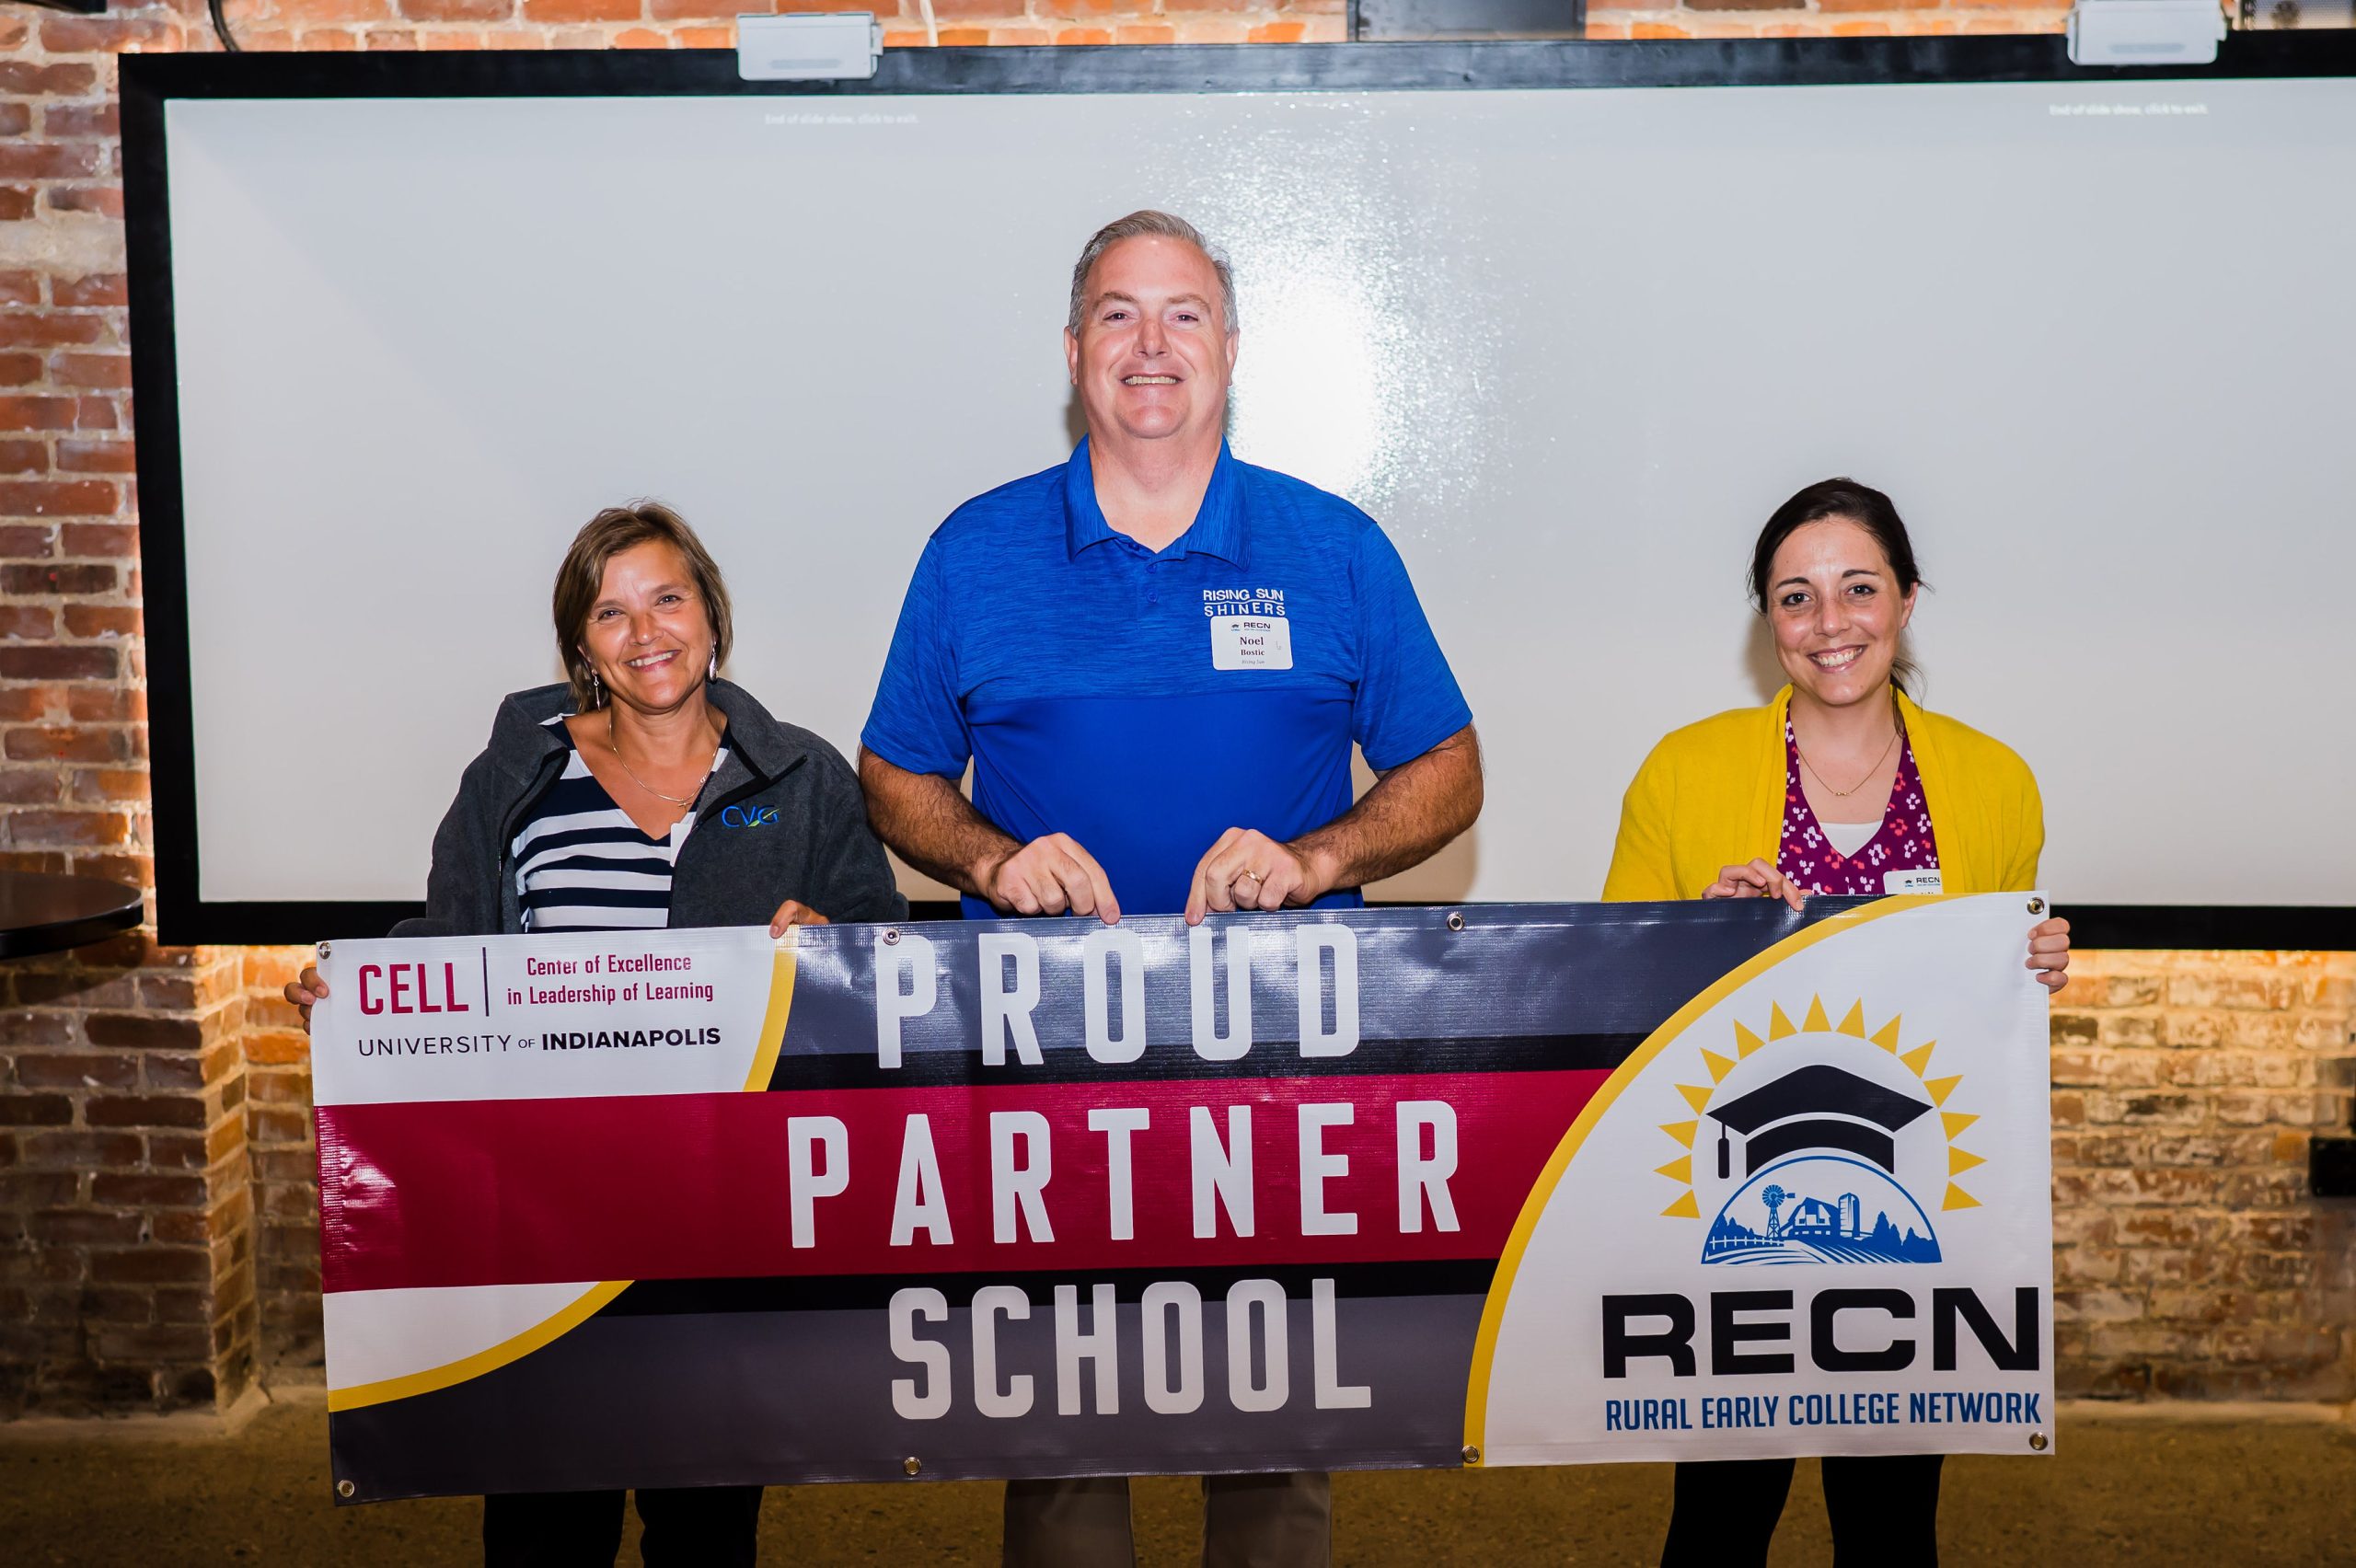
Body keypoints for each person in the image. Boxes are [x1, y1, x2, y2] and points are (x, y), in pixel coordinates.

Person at [856, 210, 1484, 1568]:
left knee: (1273, 1434)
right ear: (1075, 348)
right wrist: (986, 857)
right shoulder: (975, 552)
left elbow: (1448, 768)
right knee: (1067, 1430)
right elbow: (894, 776)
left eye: (1184, 314)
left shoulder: (1336, 548)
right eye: (1121, 315)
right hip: (1047, 1071)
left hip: (1278, 1070)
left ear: (1233, 348)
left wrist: (1322, 858)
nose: (1152, 346)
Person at [286, 501, 905, 1567]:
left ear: (710, 612)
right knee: (542, 1525)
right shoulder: (514, 783)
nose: (645, 632)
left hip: (723, 1217)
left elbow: (890, 959)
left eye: (666, 598)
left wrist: (837, 944)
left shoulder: (801, 779)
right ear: (581, 645)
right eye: (610, 614)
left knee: (706, 1527)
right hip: (548, 1222)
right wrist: (356, 988)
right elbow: (451, 940)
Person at [1601, 476, 2071, 1568]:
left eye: (1857, 588)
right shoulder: (1682, 772)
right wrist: (1688, 937)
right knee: (1717, 1525)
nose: (1829, 624)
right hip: (1727, 1220)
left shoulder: (1996, 782)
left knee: (1892, 1525)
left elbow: (1985, 999)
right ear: (1766, 620)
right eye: (1795, 597)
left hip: (1917, 1216)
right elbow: (1610, 986)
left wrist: (2034, 965)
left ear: (1906, 598)